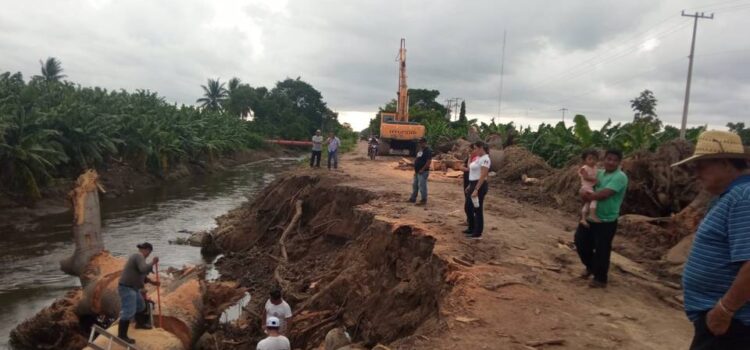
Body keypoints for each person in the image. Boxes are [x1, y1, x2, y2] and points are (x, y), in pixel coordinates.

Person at [672, 130, 750, 350]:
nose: (696, 173)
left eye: (701, 165)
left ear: (725, 163)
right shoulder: (731, 196)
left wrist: (725, 310)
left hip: (731, 324)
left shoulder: (744, 197)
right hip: (721, 320)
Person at [574, 149, 628, 289]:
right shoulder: (599, 173)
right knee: (580, 243)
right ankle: (591, 267)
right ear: (604, 160)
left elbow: (605, 193)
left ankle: (600, 279)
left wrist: (586, 196)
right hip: (590, 219)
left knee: (602, 250)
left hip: (606, 220)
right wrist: (582, 193)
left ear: (619, 162)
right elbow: (585, 185)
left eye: (614, 160)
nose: (611, 162)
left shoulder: (620, 177)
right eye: (608, 159)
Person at [117, 242, 160, 344]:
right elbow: (143, 269)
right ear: (147, 250)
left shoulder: (141, 259)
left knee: (141, 306)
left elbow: (142, 275)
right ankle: (121, 336)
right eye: (149, 252)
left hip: (134, 289)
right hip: (126, 288)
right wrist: (153, 262)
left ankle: (139, 324)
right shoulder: (138, 256)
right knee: (128, 311)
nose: (148, 254)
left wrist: (152, 282)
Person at [464, 141, 491, 239]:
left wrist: (476, 189)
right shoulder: (478, 158)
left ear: (481, 148)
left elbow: (483, 175)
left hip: (479, 185)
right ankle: (471, 228)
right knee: (468, 207)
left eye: (475, 148)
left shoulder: (485, 159)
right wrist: (470, 186)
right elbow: (472, 171)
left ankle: (477, 233)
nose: (474, 150)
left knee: (477, 210)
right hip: (473, 184)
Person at [578, 149, 600, 227]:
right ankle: (592, 215)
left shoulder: (595, 168)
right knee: (595, 198)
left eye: (594, 159)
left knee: (587, 203)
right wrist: (595, 180)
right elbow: (585, 177)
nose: (592, 161)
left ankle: (583, 219)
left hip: (591, 188)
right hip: (586, 188)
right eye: (590, 159)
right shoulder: (584, 168)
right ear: (585, 160)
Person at [408, 137, 432, 206]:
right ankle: (413, 198)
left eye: (421, 143)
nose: (420, 144)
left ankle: (423, 200)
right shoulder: (420, 150)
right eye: (419, 143)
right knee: (415, 185)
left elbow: (428, 162)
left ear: (425, 142)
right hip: (417, 171)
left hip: (423, 172)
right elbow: (418, 158)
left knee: (422, 186)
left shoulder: (428, 151)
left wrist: (423, 169)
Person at [460, 143, 478, 227]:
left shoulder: (476, 159)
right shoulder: (469, 157)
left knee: (470, 204)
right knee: (467, 203)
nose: (469, 151)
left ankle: (472, 223)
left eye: (471, 150)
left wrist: (466, 168)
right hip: (467, 181)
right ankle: (469, 220)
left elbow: (470, 169)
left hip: (472, 182)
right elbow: (463, 166)